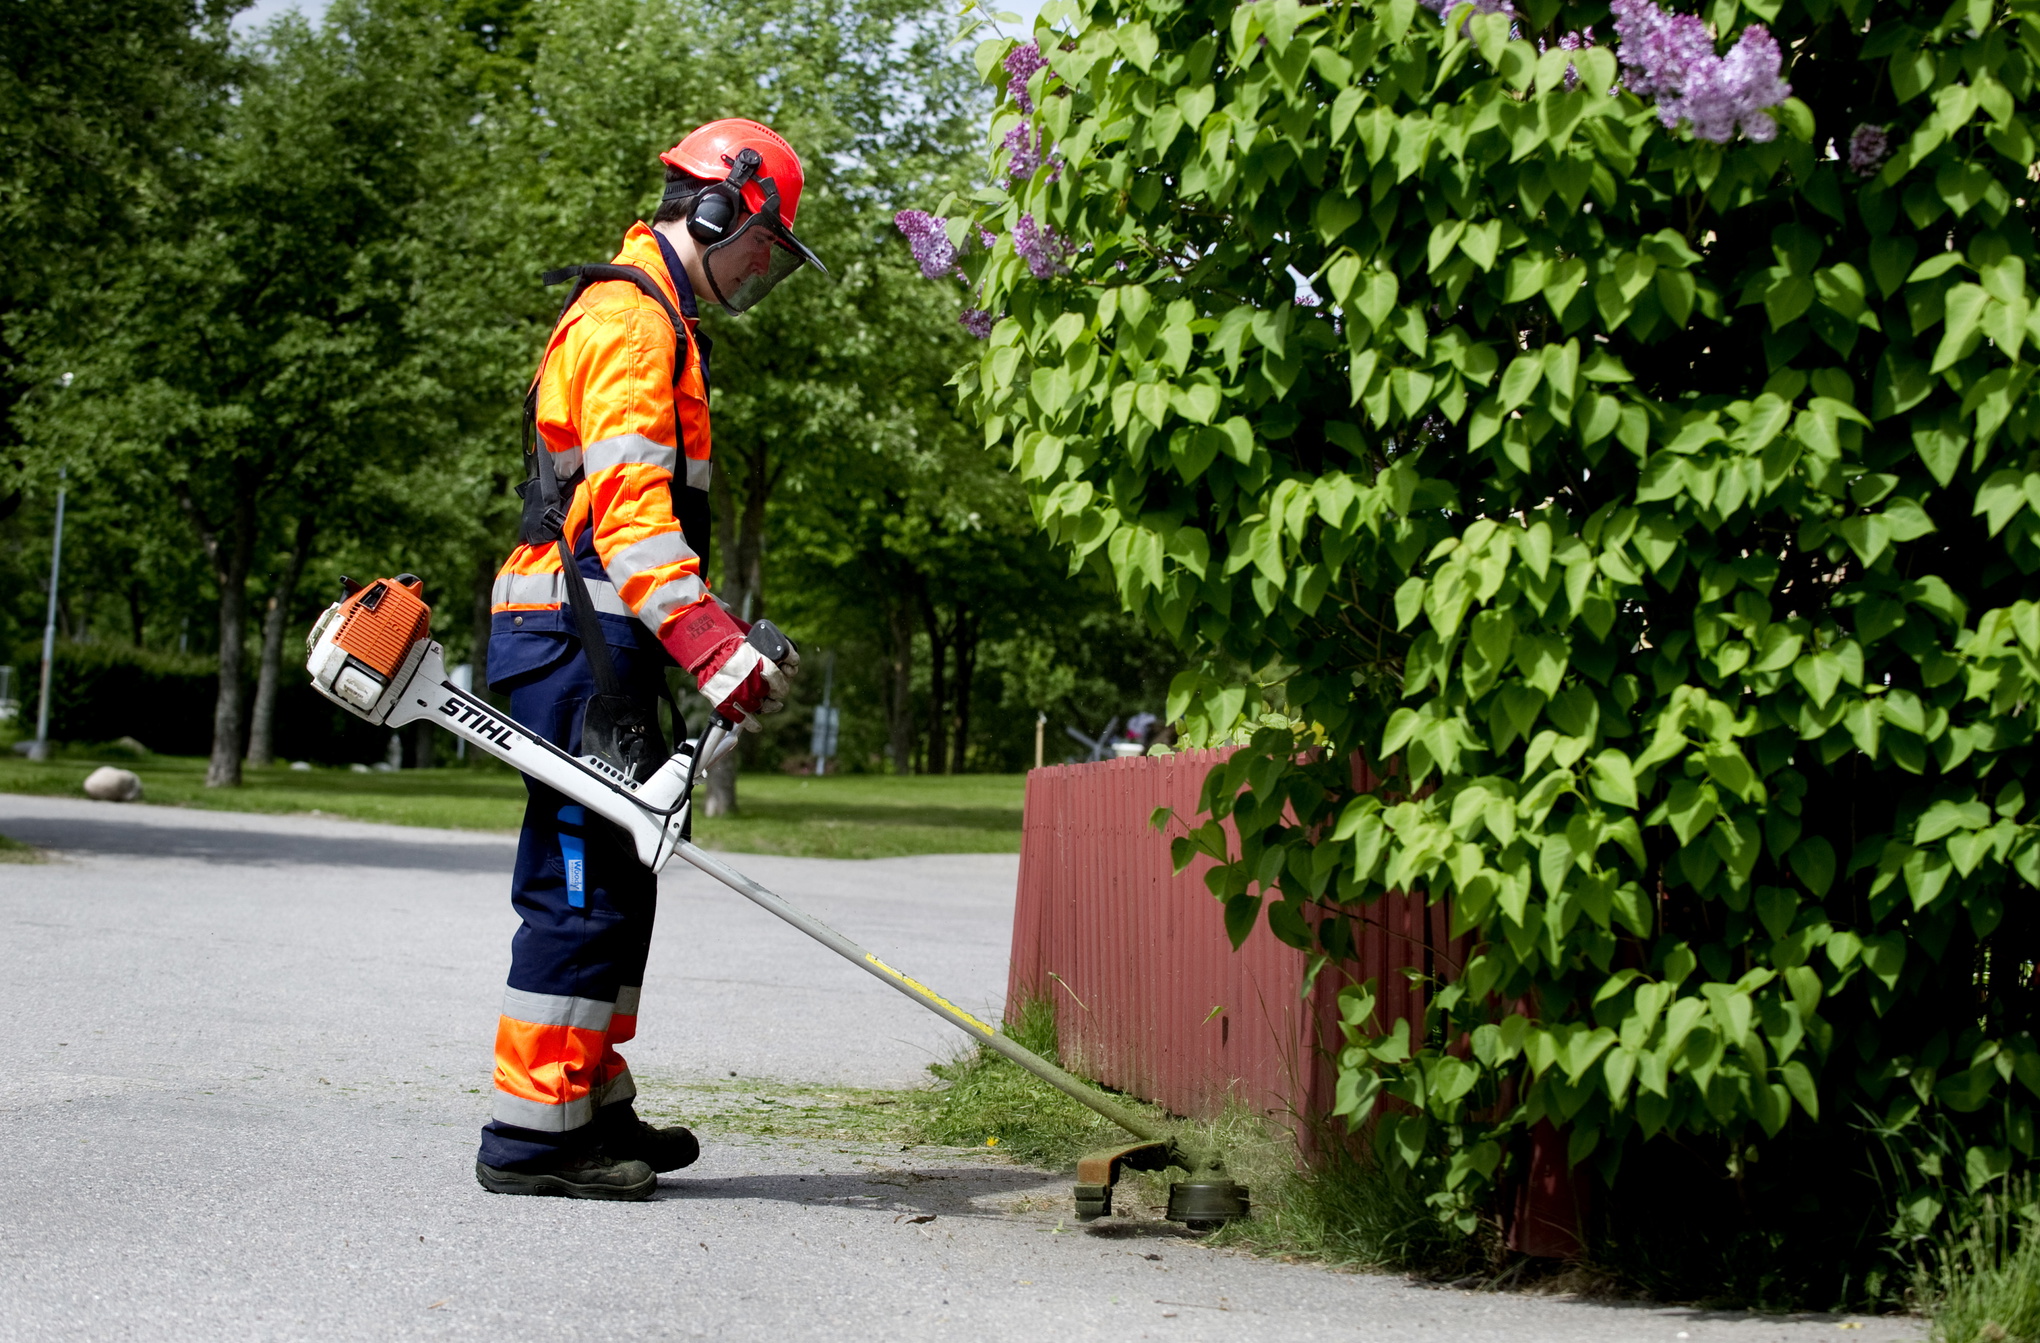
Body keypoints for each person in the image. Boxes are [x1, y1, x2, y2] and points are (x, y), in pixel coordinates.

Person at [475, 119, 825, 1201]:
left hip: (598, 638)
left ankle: (589, 1096)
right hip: (574, 637)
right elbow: (630, 523)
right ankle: (534, 1136)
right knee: (581, 889)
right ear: (718, 210)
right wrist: (716, 649)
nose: (759, 269)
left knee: (621, 880)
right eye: (761, 245)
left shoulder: (654, 316)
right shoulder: (632, 326)